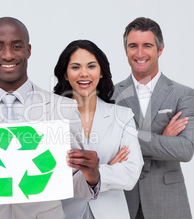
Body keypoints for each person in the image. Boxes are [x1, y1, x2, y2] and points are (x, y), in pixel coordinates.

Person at [0, 17, 101, 218]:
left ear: (28, 50)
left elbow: (73, 184)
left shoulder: (62, 108)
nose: (7, 55)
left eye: (16, 46)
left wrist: (91, 177)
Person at [112, 17, 194, 219]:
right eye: (133, 46)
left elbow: (185, 149)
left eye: (147, 46)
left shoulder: (183, 94)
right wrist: (165, 138)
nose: (140, 53)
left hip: (168, 202)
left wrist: (129, 137)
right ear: (126, 50)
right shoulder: (111, 95)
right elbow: (110, 147)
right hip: (123, 202)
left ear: (160, 49)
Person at [54, 39, 144, 219]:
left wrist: (96, 173)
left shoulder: (122, 116)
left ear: (101, 72)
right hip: (65, 213)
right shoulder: (51, 117)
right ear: (65, 74)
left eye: (91, 66)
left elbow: (131, 172)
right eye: (75, 67)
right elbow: (49, 176)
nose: (84, 74)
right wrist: (107, 169)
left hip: (110, 212)